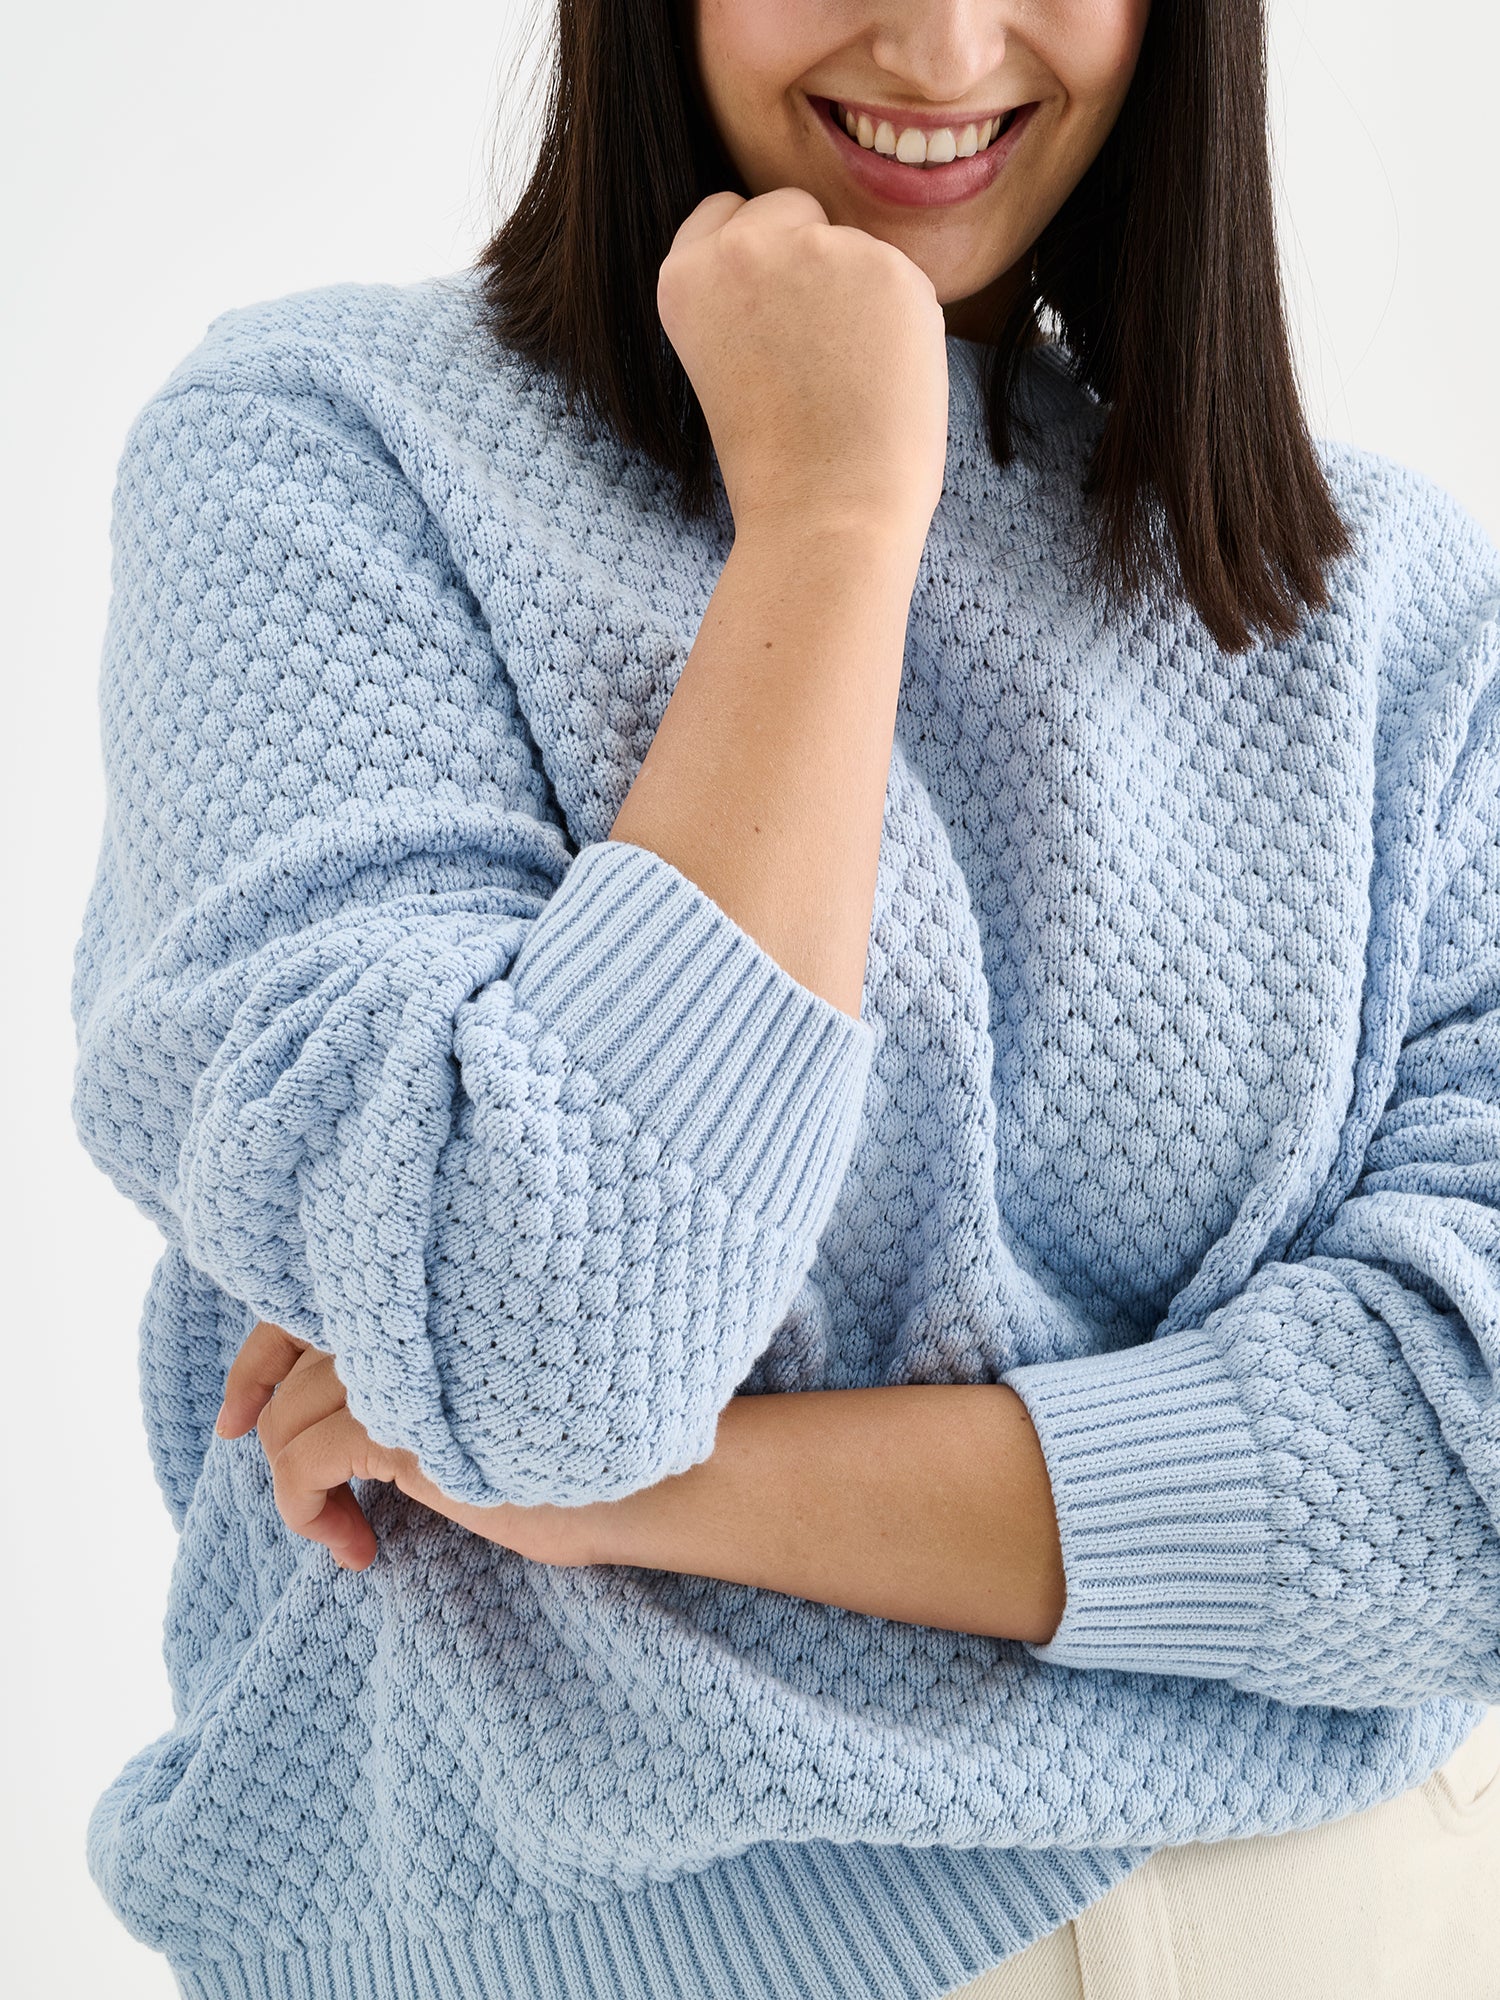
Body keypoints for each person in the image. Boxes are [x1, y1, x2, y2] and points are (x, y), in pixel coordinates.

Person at [70, 0, 1500, 1996]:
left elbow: (1469, 1471)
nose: (940, 39)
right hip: (609, 1944)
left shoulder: (1397, 607)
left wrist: (662, 1497)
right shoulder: (335, 456)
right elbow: (547, 1340)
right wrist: (830, 524)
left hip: (1349, 1911)